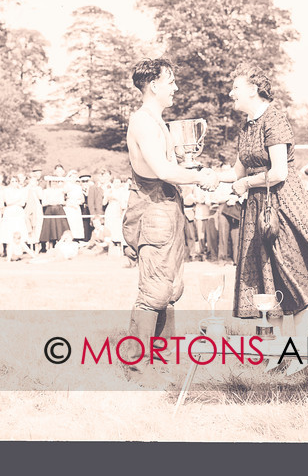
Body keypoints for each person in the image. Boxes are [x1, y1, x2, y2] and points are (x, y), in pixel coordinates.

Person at [218, 64, 308, 340]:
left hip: (282, 205)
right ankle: (272, 351)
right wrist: (204, 177)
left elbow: (279, 172)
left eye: (236, 87)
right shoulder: (245, 127)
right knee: (264, 277)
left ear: (253, 90)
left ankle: (300, 351)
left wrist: (246, 183)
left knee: (292, 275)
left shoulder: (274, 119)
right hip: (258, 206)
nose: (231, 92)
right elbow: (236, 172)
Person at [121, 58, 219, 377]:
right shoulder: (144, 122)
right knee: (155, 291)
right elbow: (162, 171)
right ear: (153, 85)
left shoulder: (156, 120)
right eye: (171, 81)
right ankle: (136, 365)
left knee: (172, 288)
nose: (175, 87)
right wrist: (200, 177)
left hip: (168, 209)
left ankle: (162, 362)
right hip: (154, 212)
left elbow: (168, 168)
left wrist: (190, 169)